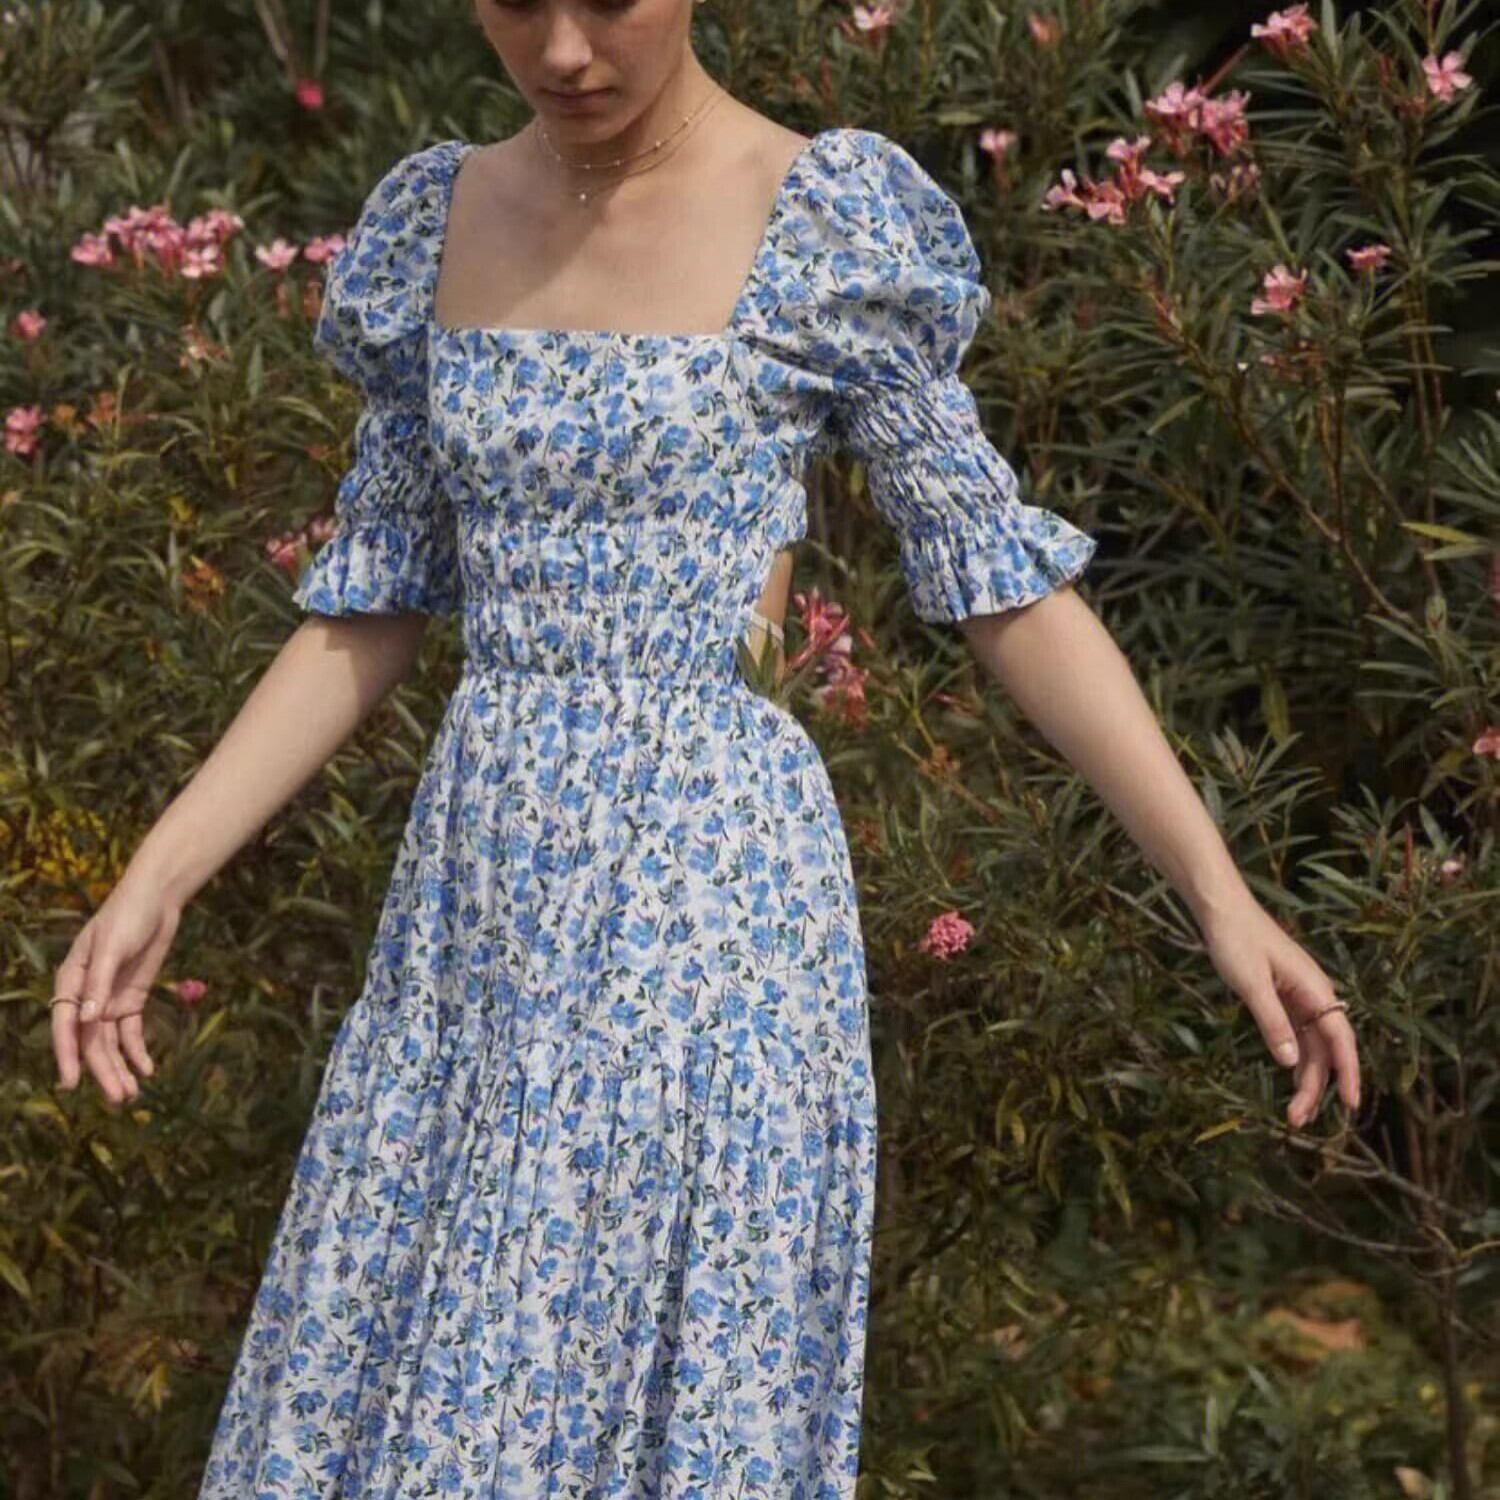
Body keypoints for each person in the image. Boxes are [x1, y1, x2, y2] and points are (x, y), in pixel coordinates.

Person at [49, 1, 1362, 1494]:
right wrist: (161, 873)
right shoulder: (438, 219)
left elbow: (1002, 584)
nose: (563, 51)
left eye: (607, 0)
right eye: (519, 2)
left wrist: (1218, 893)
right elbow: (373, 600)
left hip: (708, 911)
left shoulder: (821, 218)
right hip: (477, 923)